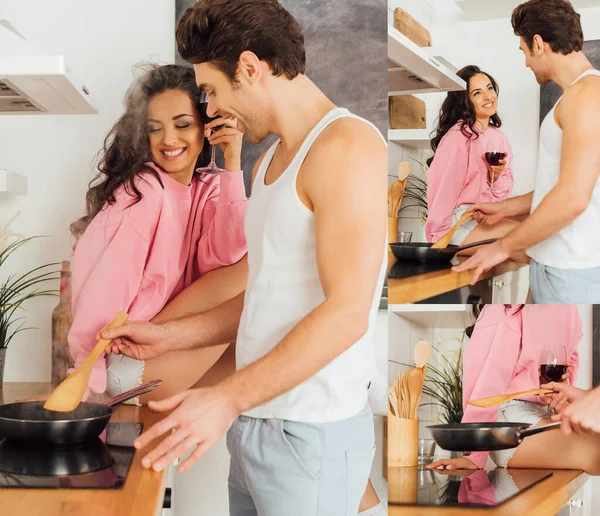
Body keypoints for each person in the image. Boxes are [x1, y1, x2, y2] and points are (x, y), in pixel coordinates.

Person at [99, 2, 387, 516]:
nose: (210, 110)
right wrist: (172, 335)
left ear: (251, 68)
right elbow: (267, 299)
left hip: (307, 433)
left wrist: (226, 399)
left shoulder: (346, 145)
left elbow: (347, 313)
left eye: (211, 90)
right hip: (257, 426)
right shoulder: (273, 162)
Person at [68, 63, 248, 405]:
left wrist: (234, 161)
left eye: (182, 125)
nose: (168, 140)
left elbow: (227, 256)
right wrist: (87, 376)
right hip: (128, 362)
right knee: (266, 269)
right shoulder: (144, 191)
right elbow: (105, 289)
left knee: (267, 288)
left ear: (206, 128)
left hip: (170, 352)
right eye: (155, 129)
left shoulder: (208, 187)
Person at [453, 0, 600, 304]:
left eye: (523, 52)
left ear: (537, 43)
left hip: (569, 272)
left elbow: (572, 197)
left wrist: (503, 246)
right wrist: (504, 208)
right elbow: (560, 187)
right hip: (555, 266)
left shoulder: (586, 96)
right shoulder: (576, 96)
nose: (526, 63)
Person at [427, 304, 600, 473]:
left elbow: (569, 363)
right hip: (510, 423)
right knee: (595, 450)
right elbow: (487, 387)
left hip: (545, 413)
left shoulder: (567, 310)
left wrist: (563, 399)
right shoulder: (507, 311)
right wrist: (475, 452)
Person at [425, 66, 523, 260]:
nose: (488, 97)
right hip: (460, 220)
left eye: (489, 88)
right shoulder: (459, 137)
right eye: (477, 93)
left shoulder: (499, 138)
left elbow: (503, 191)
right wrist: (439, 235)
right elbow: (444, 190)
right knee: (530, 241)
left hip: (487, 214)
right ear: (465, 101)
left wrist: (495, 175)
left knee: (543, 231)